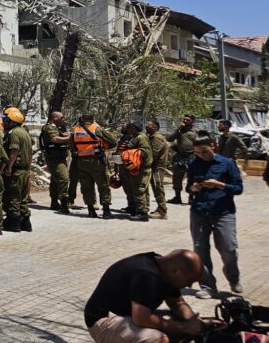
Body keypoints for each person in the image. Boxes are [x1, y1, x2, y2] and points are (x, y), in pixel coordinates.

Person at [85, 250, 211, 343]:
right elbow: (141, 319)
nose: (189, 285)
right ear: (175, 271)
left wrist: (194, 322)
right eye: (189, 280)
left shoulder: (166, 269)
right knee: (157, 339)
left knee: (179, 325)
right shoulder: (146, 274)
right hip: (103, 321)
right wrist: (185, 327)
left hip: (130, 315)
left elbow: (177, 303)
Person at [186, 131, 243, 298]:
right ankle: (207, 286)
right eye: (197, 153)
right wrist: (193, 188)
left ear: (213, 146)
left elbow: (238, 188)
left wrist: (220, 185)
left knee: (229, 248)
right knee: (200, 250)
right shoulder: (194, 164)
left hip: (223, 212)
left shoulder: (227, 163)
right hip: (199, 211)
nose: (201, 155)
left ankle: (233, 277)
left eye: (204, 151)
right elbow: (188, 186)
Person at [73, 114, 113, 219]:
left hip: (82, 161)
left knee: (86, 186)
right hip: (96, 161)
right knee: (103, 185)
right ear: (92, 120)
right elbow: (113, 141)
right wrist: (104, 145)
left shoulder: (75, 130)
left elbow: (72, 146)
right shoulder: (96, 128)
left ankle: (91, 211)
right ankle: (106, 212)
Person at [2, 107, 34, 232]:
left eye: (7, 120)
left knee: (13, 196)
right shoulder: (24, 132)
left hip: (16, 170)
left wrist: (8, 167)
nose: (5, 122)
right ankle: (26, 222)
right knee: (23, 197)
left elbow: (14, 151)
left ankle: (13, 223)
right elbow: (30, 152)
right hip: (24, 170)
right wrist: (29, 168)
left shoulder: (13, 133)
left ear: (12, 121)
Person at [117, 122, 152, 222]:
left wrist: (130, 152)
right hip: (136, 167)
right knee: (135, 188)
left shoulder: (141, 137)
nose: (129, 130)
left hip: (142, 168)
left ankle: (142, 213)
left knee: (139, 189)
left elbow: (144, 152)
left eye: (131, 128)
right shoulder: (135, 137)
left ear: (136, 128)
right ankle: (136, 209)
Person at [42, 111, 71, 213]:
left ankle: (54, 202)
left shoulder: (56, 127)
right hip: (55, 158)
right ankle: (64, 204)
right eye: (61, 117)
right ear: (54, 118)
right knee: (63, 179)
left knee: (55, 180)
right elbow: (54, 139)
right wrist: (69, 138)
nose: (63, 119)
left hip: (59, 157)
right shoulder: (50, 127)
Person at [167, 114, 197, 205]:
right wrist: (178, 129)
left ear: (192, 121)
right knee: (176, 177)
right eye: (184, 119)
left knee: (191, 178)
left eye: (187, 120)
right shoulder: (179, 131)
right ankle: (177, 197)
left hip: (191, 157)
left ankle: (191, 197)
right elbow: (169, 139)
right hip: (179, 157)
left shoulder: (195, 133)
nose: (184, 121)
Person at [145, 120, 169, 220]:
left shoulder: (157, 137)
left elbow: (154, 154)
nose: (146, 127)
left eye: (149, 126)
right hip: (154, 166)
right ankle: (160, 208)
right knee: (156, 187)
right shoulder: (151, 136)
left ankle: (162, 211)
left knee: (158, 187)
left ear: (155, 127)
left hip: (157, 167)